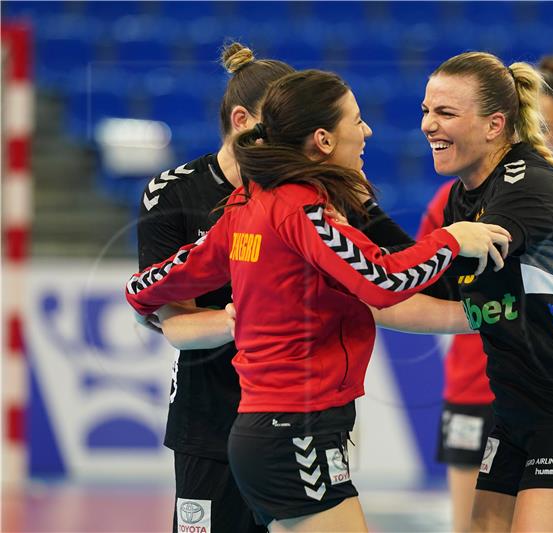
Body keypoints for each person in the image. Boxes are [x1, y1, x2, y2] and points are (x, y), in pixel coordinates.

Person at [127, 68, 511, 531]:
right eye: (357, 120)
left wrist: (140, 300)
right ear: (325, 140)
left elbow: (152, 283)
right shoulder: (302, 210)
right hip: (293, 433)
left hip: (274, 430)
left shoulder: (247, 205)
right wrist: (452, 239)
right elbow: (382, 282)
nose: (367, 131)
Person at [415, 51, 553, 532]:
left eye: (445, 113)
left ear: (496, 124)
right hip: (517, 411)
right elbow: (434, 295)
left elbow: (438, 269)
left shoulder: (529, 183)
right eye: (426, 111)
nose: (428, 125)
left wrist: (358, 269)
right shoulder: (464, 192)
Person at [135, 42, 293, 533]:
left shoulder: (302, 192)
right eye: (282, 127)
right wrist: (248, 318)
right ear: (243, 120)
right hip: (209, 418)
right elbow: (175, 324)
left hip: (294, 415)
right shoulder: (174, 193)